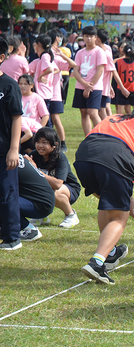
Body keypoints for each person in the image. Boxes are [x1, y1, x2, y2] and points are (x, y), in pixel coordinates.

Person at [75, 99, 134, 284]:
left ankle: (109, 253)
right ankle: (96, 262)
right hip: (114, 160)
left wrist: (128, 196)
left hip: (84, 156)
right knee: (119, 217)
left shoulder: (118, 117)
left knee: (107, 203)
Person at [26, 127, 81, 227]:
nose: (40, 146)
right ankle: (41, 216)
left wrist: (36, 170)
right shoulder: (34, 155)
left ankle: (71, 215)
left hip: (68, 188)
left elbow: (57, 184)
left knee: (52, 191)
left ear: (54, 145)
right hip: (46, 187)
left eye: (45, 142)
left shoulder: (60, 157)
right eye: (38, 142)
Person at [0, 36, 24, 251]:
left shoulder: (9, 85)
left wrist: (14, 149)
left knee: (7, 193)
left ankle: (12, 237)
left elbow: (17, 117)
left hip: (4, 150)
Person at [72, 26, 107, 135]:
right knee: (84, 113)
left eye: (91, 36)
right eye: (86, 36)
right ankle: (88, 137)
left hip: (95, 87)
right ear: (83, 37)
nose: (89, 39)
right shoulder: (80, 53)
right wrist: (84, 84)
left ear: (96, 37)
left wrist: (89, 86)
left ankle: (102, 135)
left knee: (93, 112)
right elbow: (76, 70)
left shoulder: (99, 51)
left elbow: (100, 71)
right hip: (80, 86)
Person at [115, 43, 134, 115]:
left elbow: (116, 75)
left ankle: (119, 125)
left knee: (119, 113)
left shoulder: (119, 62)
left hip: (122, 88)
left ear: (123, 52)